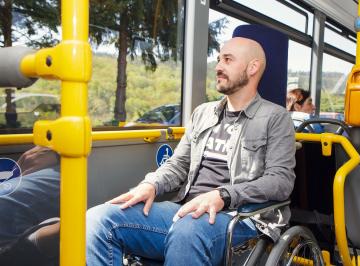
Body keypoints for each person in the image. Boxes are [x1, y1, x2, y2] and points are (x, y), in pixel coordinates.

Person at [86, 24, 296, 266]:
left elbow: (280, 181)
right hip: (186, 210)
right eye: (218, 59)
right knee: (99, 219)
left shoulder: (275, 118)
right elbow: (178, 165)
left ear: (253, 67)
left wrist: (223, 195)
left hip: (239, 218)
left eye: (227, 59)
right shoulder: (203, 113)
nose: (218, 66)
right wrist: (151, 185)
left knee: (189, 231)